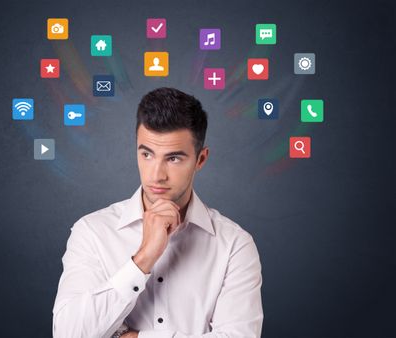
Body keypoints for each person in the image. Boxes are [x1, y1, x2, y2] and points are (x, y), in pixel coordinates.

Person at [52, 87, 263, 338]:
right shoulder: (91, 232)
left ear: (200, 159)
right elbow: (68, 334)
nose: (156, 175)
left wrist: (137, 337)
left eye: (173, 158)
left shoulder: (234, 245)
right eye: (147, 154)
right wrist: (143, 258)